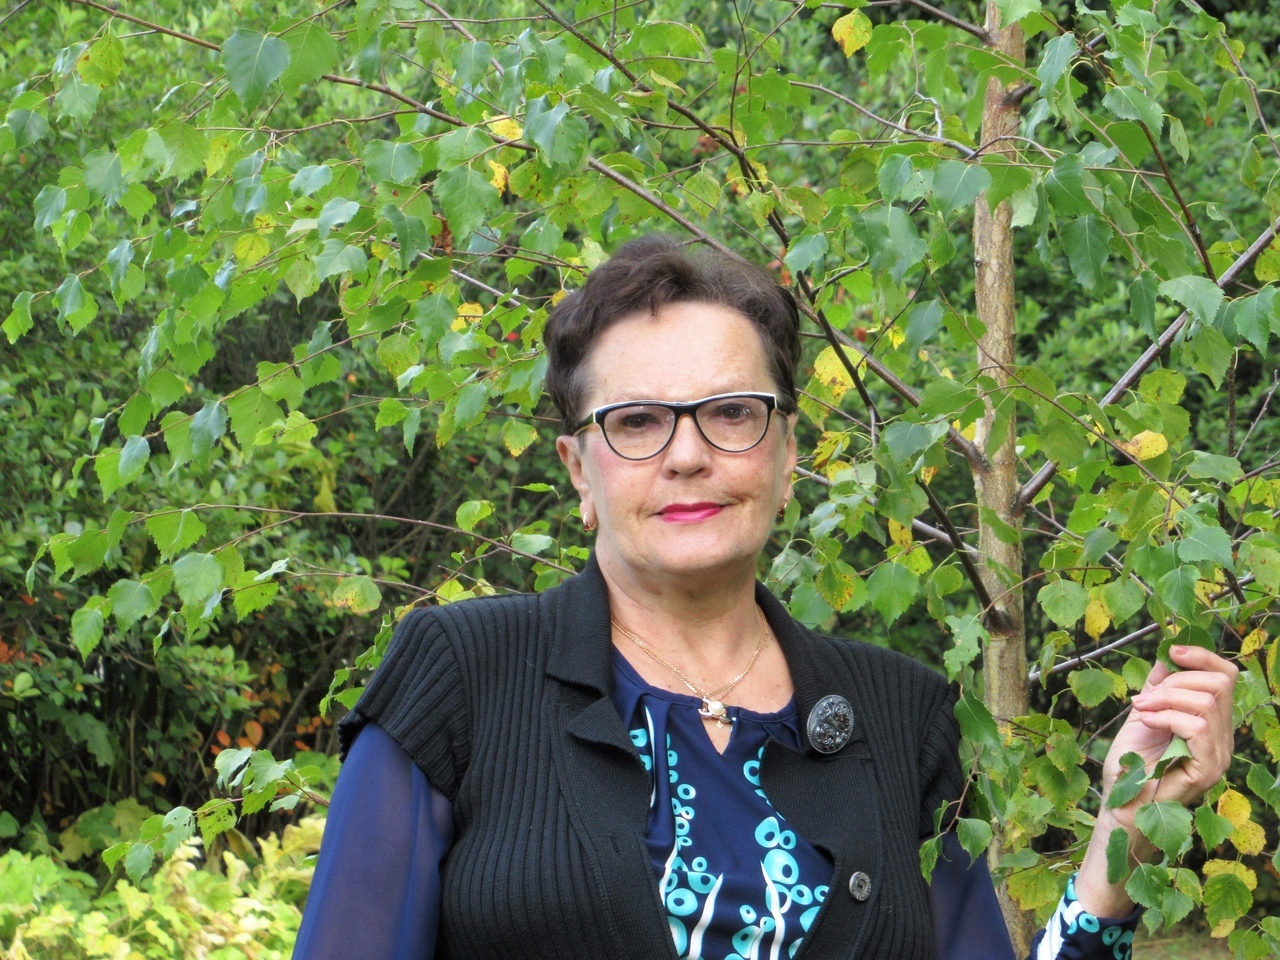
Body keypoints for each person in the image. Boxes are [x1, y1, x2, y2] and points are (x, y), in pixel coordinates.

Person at [291, 236, 1238, 960]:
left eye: (731, 413)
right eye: (637, 422)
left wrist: (1119, 843)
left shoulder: (903, 720)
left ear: (787, 455)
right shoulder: (460, 678)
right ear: (579, 470)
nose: (688, 454)